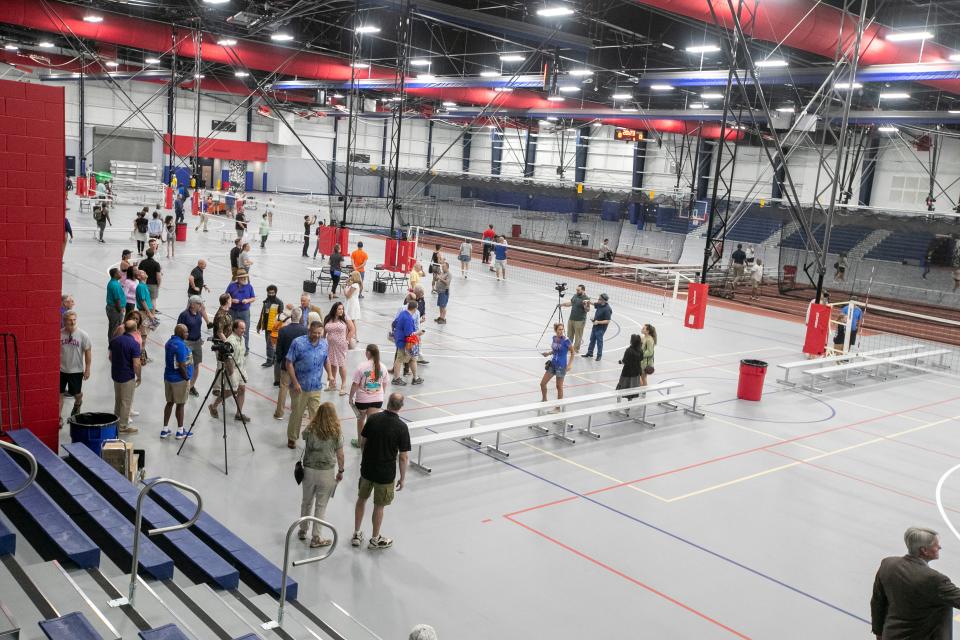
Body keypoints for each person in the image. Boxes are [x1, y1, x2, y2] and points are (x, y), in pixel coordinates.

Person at [871, 526, 960, 639]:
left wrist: (879, 633)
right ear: (924, 550)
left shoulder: (888, 565)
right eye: (935, 545)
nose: (939, 547)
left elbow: (877, 602)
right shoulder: (934, 579)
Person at [352, 392, 410, 550]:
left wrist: (365, 458)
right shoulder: (402, 427)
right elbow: (403, 456)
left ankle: (356, 534)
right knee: (379, 506)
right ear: (401, 407)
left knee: (361, 499)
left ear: (388, 403)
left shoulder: (373, 419)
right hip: (385, 473)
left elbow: (363, 442)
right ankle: (375, 538)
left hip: (368, 468)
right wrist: (403, 478)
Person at [298, 402, 344, 548]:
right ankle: (316, 537)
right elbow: (340, 455)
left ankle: (302, 529)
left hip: (309, 470)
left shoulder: (311, 428)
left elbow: (303, 436)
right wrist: (341, 471)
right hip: (326, 472)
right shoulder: (336, 431)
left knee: (306, 501)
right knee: (321, 505)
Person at [285, 320, 328, 448]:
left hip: (316, 386)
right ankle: (292, 438)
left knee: (315, 415)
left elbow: (326, 360)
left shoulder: (324, 344)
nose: (318, 335)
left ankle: (313, 438)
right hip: (299, 387)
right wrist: (295, 382)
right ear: (309, 331)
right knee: (297, 413)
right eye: (315, 333)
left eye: (320, 333)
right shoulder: (298, 343)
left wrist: (331, 375)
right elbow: (289, 363)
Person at [349, 344, 389, 449]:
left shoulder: (361, 367)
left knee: (361, 420)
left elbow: (355, 384)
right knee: (372, 422)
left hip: (362, 400)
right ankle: (370, 443)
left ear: (368, 353)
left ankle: (359, 442)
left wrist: (350, 398)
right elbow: (384, 384)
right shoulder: (383, 367)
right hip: (377, 399)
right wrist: (381, 394)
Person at [209, 320, 249, 422]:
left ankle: (239, 413)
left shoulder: (242, 339)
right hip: (232, 369)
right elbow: (227, 360)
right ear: (235, 329)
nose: (244, 330)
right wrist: (231, 374)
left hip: (240, 368)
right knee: (230, 391)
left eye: (244, 328)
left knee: (242, 390)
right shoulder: (230, 341)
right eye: (241, 328)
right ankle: (214, 406)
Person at [109, 319, 142, 434]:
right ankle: (122, 426)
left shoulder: (115, 341)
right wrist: (139, 376)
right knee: (126, 402)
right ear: (136, 330)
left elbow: (110, 357)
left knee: (118, 400)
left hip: (116, 374)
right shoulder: (134, 344)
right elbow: (136, 363)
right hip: (127, 376)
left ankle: (115, 423)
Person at [274, 308, 307, 423]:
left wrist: (280, 360)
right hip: (299, 366)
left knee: (283, 388)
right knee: (297, 388)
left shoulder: (283, 330)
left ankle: (279, 413)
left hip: (286, 364)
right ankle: (297, 411)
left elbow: (279, 349)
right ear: (300, 316)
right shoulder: (305, 331)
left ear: (291, 316)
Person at [59, 311, 91, 427]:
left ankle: (78, 402)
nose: (72, 322)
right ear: (64, 321)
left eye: (74, 320)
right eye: (69, 320)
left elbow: (88, 352)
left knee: (76, 394)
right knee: (59, 394)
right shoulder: (59, 334)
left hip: (76, 370)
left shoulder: (83, 335)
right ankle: (59, 418)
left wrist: (87, 369)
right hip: (61, 370)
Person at [161, 324, 194, 440]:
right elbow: (181, 365)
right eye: (186, 332)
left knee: (169, 402)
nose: (187, 334)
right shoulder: (180, 345)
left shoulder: (169, 342)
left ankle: (165, 429)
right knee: (180, 404)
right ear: (180, 333)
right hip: (179, 380)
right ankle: (180, 431)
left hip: (168, 377)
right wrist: (186, 378)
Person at [177, 296, 206, 397]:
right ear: (192, 304)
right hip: (187, 343)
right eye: (199, 303)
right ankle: (184, 384)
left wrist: (200, 338)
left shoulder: (199, 314)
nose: (201, 305)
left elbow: (198, 327)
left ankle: (191, 386)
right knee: (185, 365)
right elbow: (178, 329)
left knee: (196, 365)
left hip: (197, 342)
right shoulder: (184, 315)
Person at [540, 323, 573, 406]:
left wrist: (569, 365)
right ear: (556, 330)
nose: (561, 331)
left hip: (561, 366)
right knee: (543, 383)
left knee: (559, 387)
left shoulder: (566, 340)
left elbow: (573, 352)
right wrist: (548, 353)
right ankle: (544, 400)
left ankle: (558, 407)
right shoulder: (554, 338)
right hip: (553, 364)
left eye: (562, 329)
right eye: (559, 329)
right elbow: (555, 350)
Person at [391, 300, 423, 385]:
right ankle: (396, 378)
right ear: (415, 309)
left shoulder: (403, 313)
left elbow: (394, 323)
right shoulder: (408, 318)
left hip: (400, 340)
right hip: (405, 343)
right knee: (400, 359)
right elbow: (408, 334)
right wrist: (418, 333)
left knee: (412, 359)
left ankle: (415, 377)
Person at [226, 270, 255, 354]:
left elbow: (253, 298)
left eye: (245, 277)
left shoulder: (249, 286)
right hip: (233, 311)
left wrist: (248, 300)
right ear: (238, 278)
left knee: (244, 330)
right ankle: (231, 347)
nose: (244, 278)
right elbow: (225, 296)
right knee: (231, 328)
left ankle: (245, 349)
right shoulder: (232, 286)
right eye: (242, 277)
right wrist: (231, 300)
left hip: (244, 312)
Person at [323, 302, 350, 394]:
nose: (341, 310)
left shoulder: (345, 318)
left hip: (341, 345)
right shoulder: (328, 318)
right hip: (330, 345)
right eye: (339, 309)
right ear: (334, 309)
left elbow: (352, 329)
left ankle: (343, 385)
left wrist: (347, 340)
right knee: (332, 364)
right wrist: (322, 342)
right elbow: (324, 333)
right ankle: (332, 384)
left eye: (342, 309)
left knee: (341, 364)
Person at [257, 284, 284, 368]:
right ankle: (273, 359)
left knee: (270, 344)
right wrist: (259, 325)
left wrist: (278, 327)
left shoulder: (279, 302)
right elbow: (262, 314)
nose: (271, 294)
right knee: (270, 344)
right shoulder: (266, 302)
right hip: (266, 326)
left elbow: (281, 316)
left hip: (274, 328)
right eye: (269, 293)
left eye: (273, 293)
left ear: (275, 292)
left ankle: (269, 360)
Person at [583, 293, 612, 361]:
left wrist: (598, 322)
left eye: (599, 299)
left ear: (603, 300)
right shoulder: (599, 304)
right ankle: (590, 353)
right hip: (595, 325)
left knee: (599, 342)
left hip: (601, 328)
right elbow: (593, 304)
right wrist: (588, 301)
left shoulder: (607, 309)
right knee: (592, 339)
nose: (598, 300)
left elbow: (607, 321)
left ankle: (599, 355)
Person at [563, 284, 591, 354]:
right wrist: (563, 304)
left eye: (578, 290)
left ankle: (576, 349)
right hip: (571, 318)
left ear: (583, 290)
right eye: (576, 290)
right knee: (569, 334)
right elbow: (571, 303)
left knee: (578, 336)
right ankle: (569, 347)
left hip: (580, 320)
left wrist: (585, 306)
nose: (577, 291)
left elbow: (588, 310)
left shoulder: (586, 298)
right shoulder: (575, 296)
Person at [617, 334, 643, 399]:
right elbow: (641, 358)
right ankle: (630, 400)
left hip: (627, 372)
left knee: (623, 387)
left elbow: (624, 361)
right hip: (636, 372)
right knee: (632, 387)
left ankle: (620, 402)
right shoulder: (640, 350)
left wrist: (620, 362)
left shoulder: (629, 350)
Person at [106, 268, 126, 342]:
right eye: (119, 272)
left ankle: (112, 341)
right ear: (115, 274)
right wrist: (120, 310)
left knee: (112, 326)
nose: (120, 274)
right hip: (115, 309)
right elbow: (117, 299)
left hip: (112, 308)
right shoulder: (115, 285)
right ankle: (113, 343)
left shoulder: (113, 282)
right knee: (115, 327)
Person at [343, 271, 362, 344]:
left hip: (351, 303)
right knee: (352, 320)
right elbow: (347, 282)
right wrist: (347, 282)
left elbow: (348, 295)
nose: (349, 277)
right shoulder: (355, 284)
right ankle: (355, 336)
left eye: (351, 276)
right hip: (352, 302)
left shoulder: (354, 285)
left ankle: (353, 335)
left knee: (350, 320)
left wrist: (344, 288)